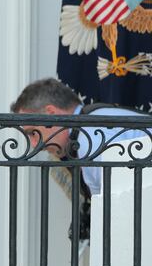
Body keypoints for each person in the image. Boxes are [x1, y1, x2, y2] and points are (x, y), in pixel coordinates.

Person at [11, 77, 149, 195]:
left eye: (33, 132)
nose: (34, 144)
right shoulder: (93, 123)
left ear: (51, 113)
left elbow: (112, 210)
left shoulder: (89, 139)